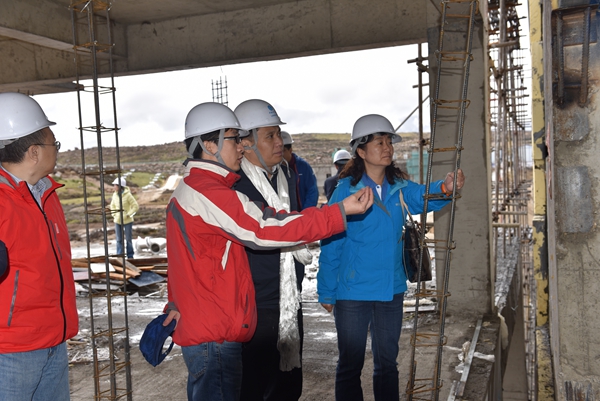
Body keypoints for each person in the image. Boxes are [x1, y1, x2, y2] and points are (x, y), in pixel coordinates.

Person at [164, 102, 374, 401]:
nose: (240, 146)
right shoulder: (208, 192)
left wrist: (175, 302)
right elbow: (264, 228)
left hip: (210, 324)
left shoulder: (196, 188)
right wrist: (338, 212)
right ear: (209, 145)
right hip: (214, 330)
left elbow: (182, 262)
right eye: (234, 139)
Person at [317, 114, 465, 401]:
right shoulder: (345, 191)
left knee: (387, 365)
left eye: (389, 142)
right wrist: (326, 290)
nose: (387, 148)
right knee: (350, 365)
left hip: (390, 290)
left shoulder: (399, 188)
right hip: (353, 292)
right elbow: (331, 242)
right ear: (361, 151)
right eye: (379, 143)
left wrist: (445, 188)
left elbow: (423, 195)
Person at [0, 92, 78, 401]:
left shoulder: (46, 193)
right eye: (53, 143)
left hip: (54, 339)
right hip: (11, 350)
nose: (56, 150)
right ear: (34, 152)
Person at [233, 99, 310, 400]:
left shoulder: (284, 176)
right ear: (246, 143)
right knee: (254, 385)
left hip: (288, 298)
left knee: (288, 385)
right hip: (256, 304)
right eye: (270, 136)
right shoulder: (235, 186)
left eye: (279, 134)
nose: (280, 142)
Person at [281, 131, 318, 209]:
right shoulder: (273, 168)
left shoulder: (303, 166)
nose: (279, 154)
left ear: (290, 150)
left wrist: (306, 212)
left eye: (282, 151)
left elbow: (312, 191)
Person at [109, 177, 139, 259]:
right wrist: (114, 214)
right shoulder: (114, 195)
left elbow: (135, 206)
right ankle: (120, 256)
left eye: (115, 185)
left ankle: (130, 256)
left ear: (119, 186)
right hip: (117, 220)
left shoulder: (128, 195)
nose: (114, 187)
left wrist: (128, 214)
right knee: (119, 239)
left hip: (127, 221)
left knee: (128, 239)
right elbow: (112, 206)